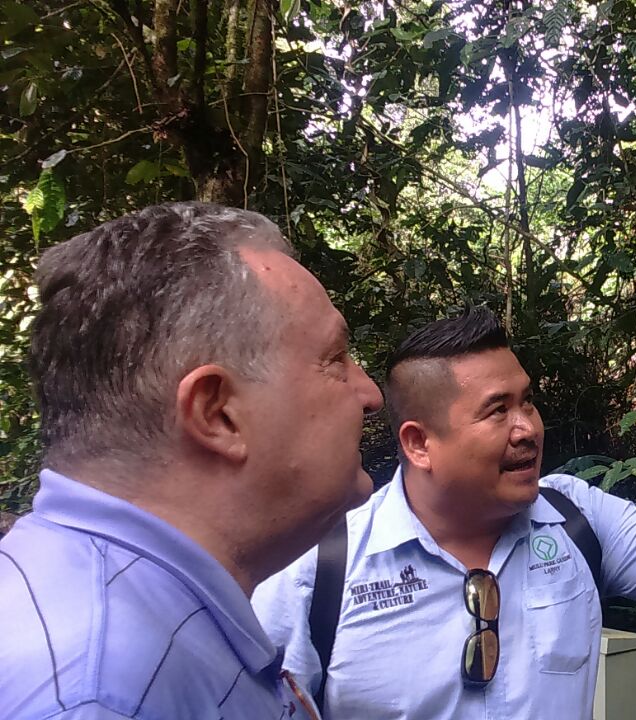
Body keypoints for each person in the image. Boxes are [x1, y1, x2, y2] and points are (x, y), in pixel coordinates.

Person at [252, 306, 636, 719]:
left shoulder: (572, 516)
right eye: (498, 410)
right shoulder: (318, 568)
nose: (528, 428)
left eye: (528, 402)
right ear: (419, 444)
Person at [0, 203, 384, 719]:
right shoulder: (101, 693)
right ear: (218, 413)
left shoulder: (138, 614)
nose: (369, 393)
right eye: (335, 359)